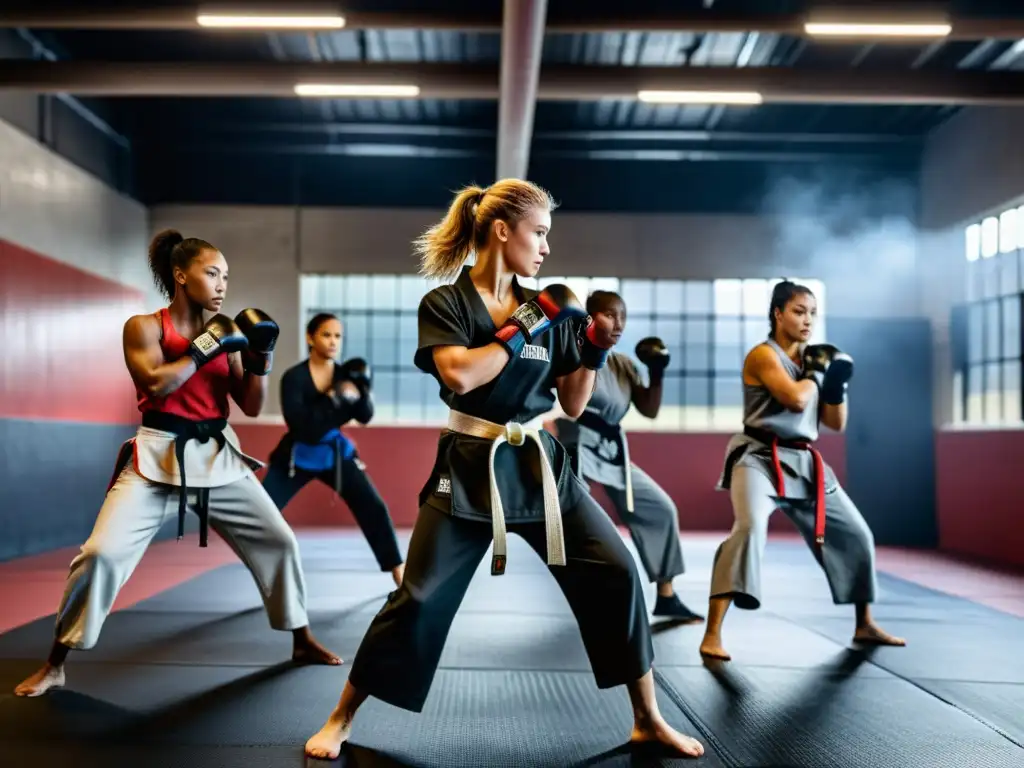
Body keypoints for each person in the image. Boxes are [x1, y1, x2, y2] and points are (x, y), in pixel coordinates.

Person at [305, 180, 704, 760]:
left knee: (618, 573)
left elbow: (571, 402)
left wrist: (591, 347)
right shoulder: (447, 303)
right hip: (468, 467)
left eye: (547, 235)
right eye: (538, 232)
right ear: (501, 230)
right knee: (417, 598)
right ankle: (341, 717)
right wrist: (524, 323)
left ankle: (647, 718)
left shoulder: (549, 306)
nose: (545, 247)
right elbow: (462, 376)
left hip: (541, 470)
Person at [14, 229, 340, 698]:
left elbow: (249, 404)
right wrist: (206, 346)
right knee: (100, 554)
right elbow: (156, 382)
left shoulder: (226, 333)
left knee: (280, 542)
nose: (223, 284)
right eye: (212, 274)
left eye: (227, 276)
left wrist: (261, 357)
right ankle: (55, 662)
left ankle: (301, 639)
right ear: (181, 276)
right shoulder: (144, 327)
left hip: (217, 455)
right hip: (156, 455)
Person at [698, 279, 907, 661]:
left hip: (804, 461)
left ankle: (864, 623)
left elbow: (835, 423)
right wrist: (816, 375)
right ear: (778, 314)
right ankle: (712, 633)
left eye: (812, 312)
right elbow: (794, 400)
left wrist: (836, 387)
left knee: (857, 533)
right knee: (748, 529)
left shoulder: (813, 357)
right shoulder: (763, 356)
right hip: (759, 457)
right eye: (798, 311)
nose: (807, 319)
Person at [554, 290, 703, 624]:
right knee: (578, 522)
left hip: (611, 451)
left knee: (660, 509)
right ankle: (584, 594)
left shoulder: (623, 364)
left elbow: (649, 410)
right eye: (609, 314)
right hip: (576, 445)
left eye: (622, 316)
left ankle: (666, 596)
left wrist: (658, 371)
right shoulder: (572, 353)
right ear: (589, 319)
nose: (618, 323)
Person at [261, 313, 405, 587]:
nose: (333, 341)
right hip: (298, 455)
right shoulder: (294, 378)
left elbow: (364, 417)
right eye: (326, 334)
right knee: (263, 512)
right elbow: (302, 428)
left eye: (338, 336)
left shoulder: (345, 374)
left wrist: (362, 389)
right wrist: (333, 398)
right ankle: (266, 572)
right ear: (310, 338)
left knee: (373, 507)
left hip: (335, 454)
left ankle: (398, 570)